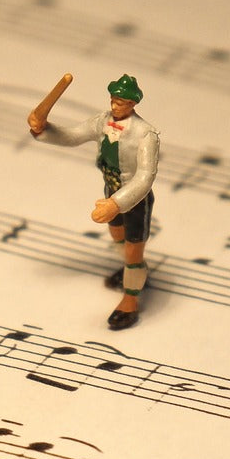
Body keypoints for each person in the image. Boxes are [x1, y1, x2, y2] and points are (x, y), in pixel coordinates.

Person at [29, 74, 159, 330]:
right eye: (113, 100)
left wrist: (116, 204)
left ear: (133, 104)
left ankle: (130, 301)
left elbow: (145, 177)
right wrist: (44, 129)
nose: (115, 106)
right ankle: (133, 272)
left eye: (121, 102)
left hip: (133, 200)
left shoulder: (146, 135)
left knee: (133, 250)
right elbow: (73, 135)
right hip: (111, 190)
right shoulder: (103, 122)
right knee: (117, 236)